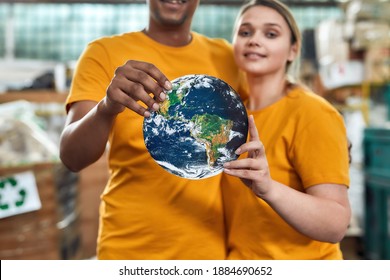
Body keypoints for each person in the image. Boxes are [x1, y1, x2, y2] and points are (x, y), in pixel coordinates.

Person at [59, 0, 247, 260]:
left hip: (206, 251)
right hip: (128, 249)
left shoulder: (228, 57)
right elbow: (72, 157)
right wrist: (106, 107)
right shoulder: (103, 52)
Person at [221, 0, 351, 260]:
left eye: (270, 34)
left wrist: (268, 188)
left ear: (293, 50)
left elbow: (336, 224)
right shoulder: (231, 117)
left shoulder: (313, 113)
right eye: (245, 32)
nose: (254, 40)